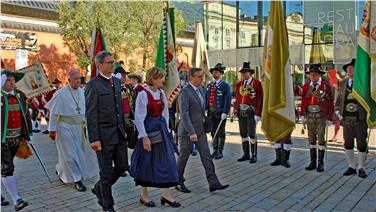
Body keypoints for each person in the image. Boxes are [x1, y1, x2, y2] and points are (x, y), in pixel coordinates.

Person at [130, 67, 180, 208]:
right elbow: (139, 118)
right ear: (152, 79)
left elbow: (164, 113)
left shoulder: (162, 93)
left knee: (167, 161)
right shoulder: (143, 94)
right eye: (160, 78)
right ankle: (144, 195)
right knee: (146, 162)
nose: (162, 80)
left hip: (161, 130)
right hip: (148, 130)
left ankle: (166, 194)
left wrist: (167, 130)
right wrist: (144, 137)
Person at [85, 51, 128, 212]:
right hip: (103, 136)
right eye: (109, 62)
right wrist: (94, 138)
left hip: (118, 134)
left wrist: (124, 131)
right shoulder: (93, 85)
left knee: (122, 166)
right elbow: (90, 114)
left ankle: (99, 188)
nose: (112, 65)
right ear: (100, 65)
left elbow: (119, 109)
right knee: (106, 171)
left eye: (113, 62)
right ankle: (108, 206)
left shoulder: (116, 82)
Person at [176, 67, 229, 193]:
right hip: (187, 132)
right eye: (199, 76)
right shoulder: (185, 92)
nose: (202, 78)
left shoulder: (201, 89)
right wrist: (191, 132)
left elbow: (201, 109)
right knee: (183, 157)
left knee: (206, 156)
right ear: (191, 77)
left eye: (202, 76)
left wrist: (206, 120)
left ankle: (213, 183)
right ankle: (178, 181)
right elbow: (184, 114)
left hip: (200, 130)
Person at [45, 70, 98, 191]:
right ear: (68, 80)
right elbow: (53, 113)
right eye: (75, 79)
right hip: (64, 126)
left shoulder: (82, 92)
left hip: (79, 127)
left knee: (77, 152)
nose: (78, 81)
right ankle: (77, 179)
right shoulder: (60, 93)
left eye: (79, 78)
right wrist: (52, 130)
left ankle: (60, 169)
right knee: (70, 153)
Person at [1, 69, 30, 211]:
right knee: (7, 168)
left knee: (6, 166)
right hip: (2, 140)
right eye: (8, 80)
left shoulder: (20, 95)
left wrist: (27, 134)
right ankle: (16, 199)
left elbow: (26, 115)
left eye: (13, 80)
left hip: (17, 138)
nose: (12, 83)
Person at [335, 59, 369, 178]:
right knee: (348, 143)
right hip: (347, 118)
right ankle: (351, 166)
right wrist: (337, 111)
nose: (349, 69)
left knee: (361, 144)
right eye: (348, 68)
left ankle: (362, 168)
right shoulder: (343, 82)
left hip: (360, 119)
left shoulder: (364, 82)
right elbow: (339, 99)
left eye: (352, 67)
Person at [300, 64, 334, 172]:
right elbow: (304, 101)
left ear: (320, 75)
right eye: (311, 75)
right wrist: (302, 115)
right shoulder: (306, 86)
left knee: (320, 139)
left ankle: (321, 162)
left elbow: (330, 103)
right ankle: (312, 161)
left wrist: (329, 118)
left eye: (315, 75)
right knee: (311, 139)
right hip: (310, 115)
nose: (313, 77)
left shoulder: (325, 86)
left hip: (321, 116)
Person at [234, 62, 263, 163]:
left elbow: (260, 99)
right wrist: (236, 109)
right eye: (242, 72)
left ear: (250, 73)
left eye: (246, 72)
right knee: (243, 133)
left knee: (251, 133)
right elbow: (238, 98)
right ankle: (246, 154)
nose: (244, 74)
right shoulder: (239, 84)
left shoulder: (257, 83)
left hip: (251, 111)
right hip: (241, 111)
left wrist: (258, 114)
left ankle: (254, 154)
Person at [205, 63, 231, 159]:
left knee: (220, 132)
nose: (214, 73)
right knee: (213, 131)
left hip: (220, 113)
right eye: (213, 72)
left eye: (217, 72)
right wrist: (205, 109)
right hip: (211, 112)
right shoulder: (209, 85)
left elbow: (227, 99)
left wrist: (225, 112)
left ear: (221, 74)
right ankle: (215, 149)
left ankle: (220, 150)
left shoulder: (225, 85)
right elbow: (206, 98)